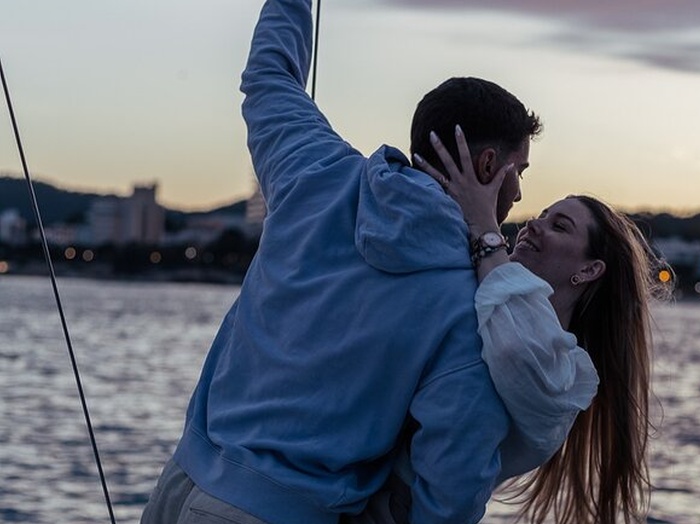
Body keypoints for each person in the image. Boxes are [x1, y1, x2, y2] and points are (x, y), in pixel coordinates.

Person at [139, 0, 542, 523]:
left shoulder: (315, 169)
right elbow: (452, 484)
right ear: (488, 165)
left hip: (178, 486)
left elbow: (269, 73)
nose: (518, 190)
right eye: (519, 172)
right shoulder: (471, 301)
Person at [412, 130, 669, 524]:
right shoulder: (486, 295)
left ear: (588, 269)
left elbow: (516, 349)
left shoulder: (559, 374)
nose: (534, 224)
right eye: (543, 215)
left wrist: (484, 227)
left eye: (559, 226)